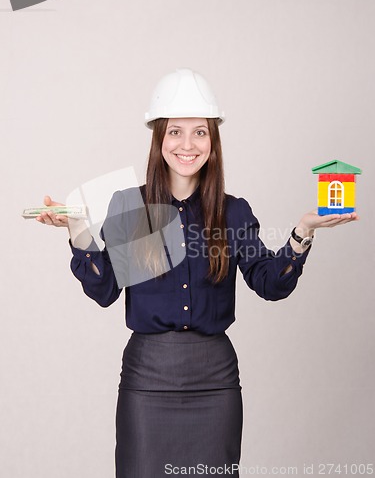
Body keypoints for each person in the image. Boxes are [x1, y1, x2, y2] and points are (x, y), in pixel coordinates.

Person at [36, 68, 358, 477]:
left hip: (215, 383)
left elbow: (270, 283)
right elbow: (104, 290)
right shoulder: (132, 208)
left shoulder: (232, 211)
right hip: (147, 381)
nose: (187, 144)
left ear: (213, 142)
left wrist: (303, 233)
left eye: (200, 132)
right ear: (159, 138)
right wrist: (78, 230)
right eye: (175, 132)